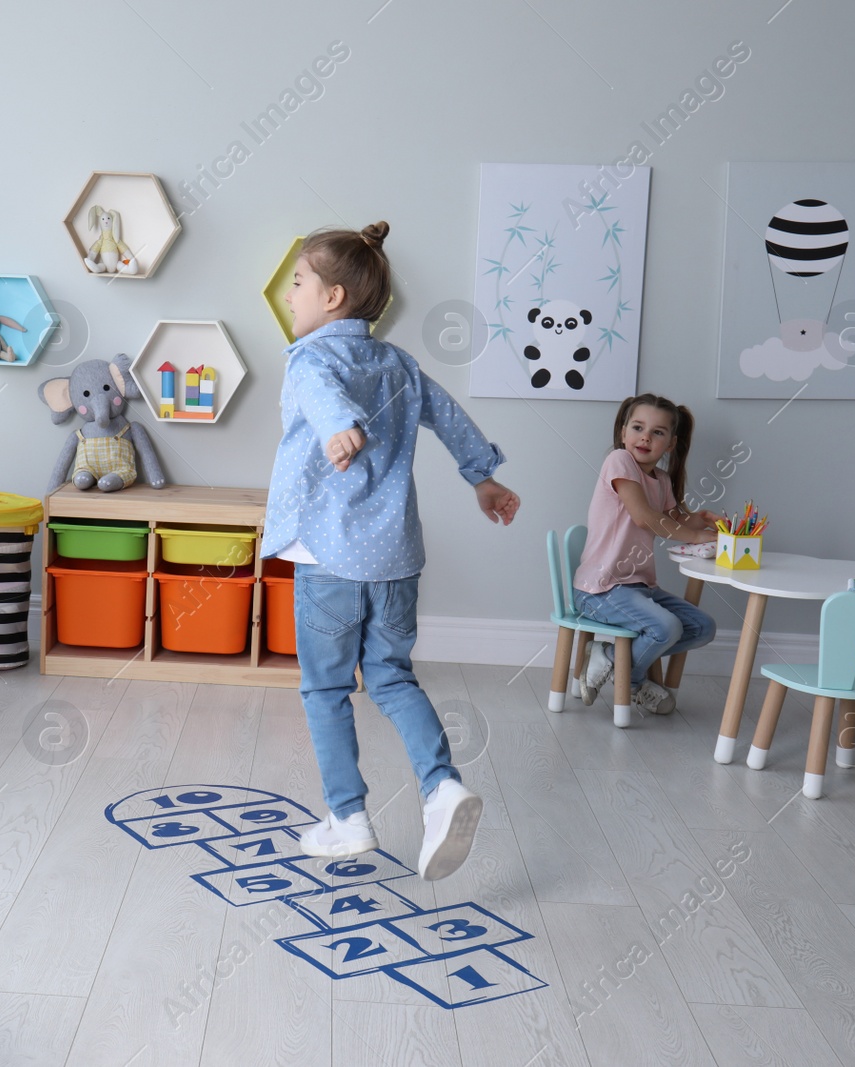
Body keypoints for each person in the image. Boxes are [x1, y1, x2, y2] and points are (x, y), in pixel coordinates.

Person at [263, 221, 519, 881]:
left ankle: (347, 819)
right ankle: (441, 785)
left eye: (298, 283)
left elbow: (323, 394)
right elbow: (449, 414)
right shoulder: (399, 364)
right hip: (396, 558)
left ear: (334, 298)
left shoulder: (312, 358)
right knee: (392, 676)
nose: (290, 295)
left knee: (324, 687)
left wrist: (338, 425)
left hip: (331, 556)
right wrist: (482, 475)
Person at [573, 394, 719, 716]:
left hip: (639, 587)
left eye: (658, 432)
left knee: (702, 627)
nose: (645, 437)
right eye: (638, 427)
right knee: (666, 628)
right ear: (623, 432)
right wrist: (694, 535)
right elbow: (645, 517)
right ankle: (634, 682)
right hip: (601, 588)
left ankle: (609, 657)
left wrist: (704, 523)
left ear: (670, 444)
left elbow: (674, 522)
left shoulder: (662, 480)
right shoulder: (619, 461)